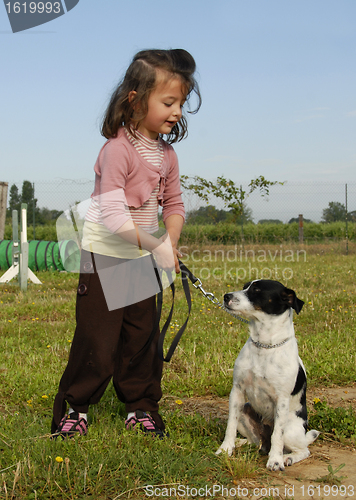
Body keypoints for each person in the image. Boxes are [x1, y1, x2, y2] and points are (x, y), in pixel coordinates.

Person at [51, 49, 201, 439]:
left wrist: (169, 240)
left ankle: (141, 406)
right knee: (97, 340)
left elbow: (175, 203)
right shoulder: (117, 151)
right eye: (168, 102)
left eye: (181, 103)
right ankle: (76, 406)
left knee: (141, 336)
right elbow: (116, 219)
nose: (177, 111)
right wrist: (156, 245)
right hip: (105, 256)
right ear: (135, 98)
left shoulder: (167, 155)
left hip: (142, 254)